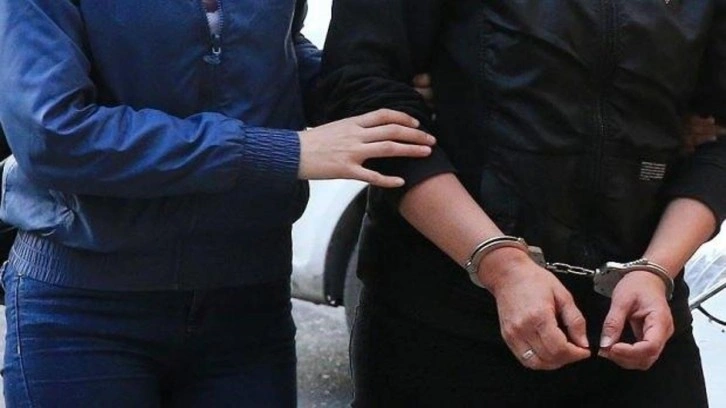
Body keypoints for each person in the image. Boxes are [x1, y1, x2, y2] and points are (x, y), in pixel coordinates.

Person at [0, 1, 437, 407]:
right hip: (84, 309)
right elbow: (52, 133)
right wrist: (281, 152)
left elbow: (278, 48)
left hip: (248, 303)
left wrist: (363, 89)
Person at [318, 1, 726, 407]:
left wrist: (657, 268)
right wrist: (500, 265)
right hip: (445, 313)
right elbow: (363, 93)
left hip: (639, 323)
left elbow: (718, 134)